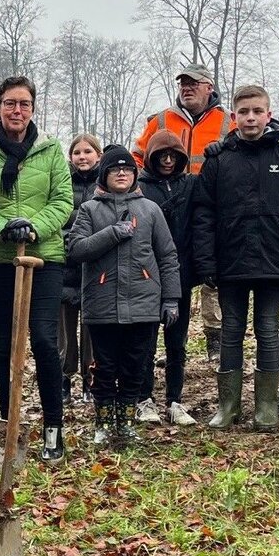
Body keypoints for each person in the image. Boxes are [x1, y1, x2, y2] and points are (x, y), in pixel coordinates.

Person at [0, 76, 75, 463]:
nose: (17, 110)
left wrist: (34, 227)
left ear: (32, 109)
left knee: (43, 340)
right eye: (10, 103)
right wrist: (3, 228)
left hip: (44, 259)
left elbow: (63, 200)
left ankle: (53, 428)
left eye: (24, 104)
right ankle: (8, 424)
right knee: (5, 344)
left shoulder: (51, 150)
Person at [192, 86, 279, 433]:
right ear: (234, 117)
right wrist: (206, 262)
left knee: (267, 329)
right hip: (230, 262)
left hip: (274, 262)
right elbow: (203, 214)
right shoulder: (219, 161)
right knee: (231, 330)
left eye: (257, 111)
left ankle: (266, 407)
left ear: (268, 114)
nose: (250, 118)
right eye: (244, 112)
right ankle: (228, 406)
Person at [66, 146, 181, 445]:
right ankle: (103, 423)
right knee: (104, 367)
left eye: (127, 169)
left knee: (135, 366)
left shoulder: (151, 210)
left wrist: (171, 299)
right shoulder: (90, 210)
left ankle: (127, 423)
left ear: (134, 175)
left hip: (144, 304)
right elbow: (76, 249)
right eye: (115, 169)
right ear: (104, 175)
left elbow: (167, 256)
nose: (121, 173)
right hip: (101, 303)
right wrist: (113, 233)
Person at [134, 64, 234, 364]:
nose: (187, 88)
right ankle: (171, 342)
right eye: (183, 84)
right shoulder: (162, 119)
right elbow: (137, 155)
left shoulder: (227, 121)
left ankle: (214, 339)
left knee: (210, 275)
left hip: (212, 208)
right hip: (167, 207)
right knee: (170, 273)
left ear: (209, 87)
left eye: (194, 83)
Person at [137, 129, 200, 426]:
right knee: (146, 343)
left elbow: (204, 220)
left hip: (181, 274)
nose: (167, 161)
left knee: (177, 343)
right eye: (161, 155)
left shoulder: (191, 185)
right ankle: (144, 399)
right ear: (151, 157)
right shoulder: (140, 188)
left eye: (173, 156)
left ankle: (175, 400)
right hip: (147, 277)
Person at [59, 134, 103, 408]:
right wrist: (71, 244)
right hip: (65, 267)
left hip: (94, 270)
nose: (82, 157)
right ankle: (64, 380)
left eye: (88, 151)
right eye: (77, 152)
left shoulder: (105, 184)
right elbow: (57, 219)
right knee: (63, 333)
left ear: (98, 155)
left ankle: (91, 381)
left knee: (91, 333)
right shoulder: (62, 182)